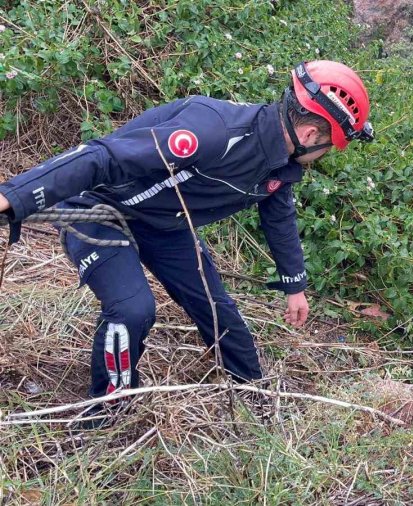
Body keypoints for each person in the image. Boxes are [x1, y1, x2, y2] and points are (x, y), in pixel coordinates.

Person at [0, 61, 374, 427]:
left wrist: (296, 286)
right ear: (309, 134)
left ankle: (254, 396)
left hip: (165, 225)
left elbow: (279, 218)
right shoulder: (214, 131)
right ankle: (108, 408)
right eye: (330, 146)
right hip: (99, 210)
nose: (325, 155)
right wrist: (13, 197)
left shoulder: (278, 164)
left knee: (216, 309)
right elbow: (102, 156)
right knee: (132, 309)